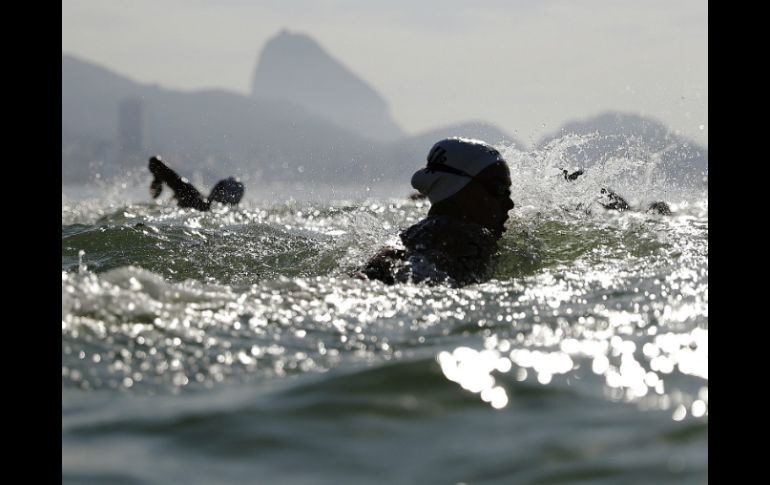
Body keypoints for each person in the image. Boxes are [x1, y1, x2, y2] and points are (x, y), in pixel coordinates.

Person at [357, 137, 514, 287]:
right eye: (498, 189)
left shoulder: (411, 237)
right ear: (459, 188)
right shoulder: (464, 237)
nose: (509, 204)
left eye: (508, 192)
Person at [148, 156, 244, 211]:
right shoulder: (235, 216)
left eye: (219, 185)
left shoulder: (193, 198)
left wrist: (158, 180)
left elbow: (155, 162)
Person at [561, 168, 670, 215]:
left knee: (602, 192)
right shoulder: (637, 213)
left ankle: (577, 176)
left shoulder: (639, 212)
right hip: (623, 209)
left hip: (623, 208)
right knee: (603, 192)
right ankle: (577, 176)